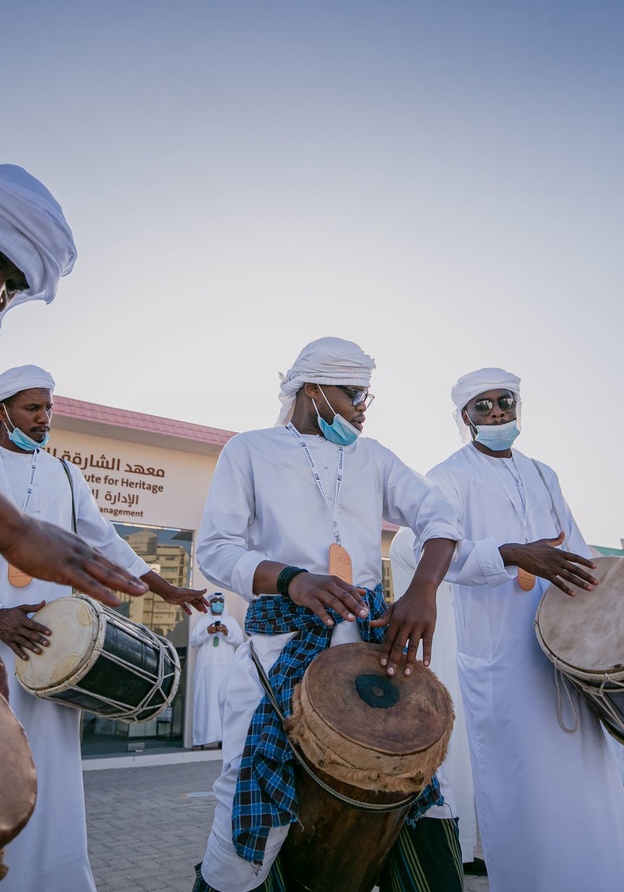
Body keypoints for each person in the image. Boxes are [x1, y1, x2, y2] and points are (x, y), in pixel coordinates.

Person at [192, 336, 462, 892]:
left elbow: (438, 514)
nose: (363, 407)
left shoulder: (374, 457)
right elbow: (215, 549)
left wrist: (422, 590)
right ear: (312, 389)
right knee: (248, 796)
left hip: (369, 651)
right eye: (353, 393)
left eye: (367, 395)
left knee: (412, 787)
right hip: (279, 649)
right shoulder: (249, 450)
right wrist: (292, 580)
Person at [0, 364, 208, 892]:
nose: (45, 419)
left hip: (49, 650)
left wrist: (168, 590)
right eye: (32, 408)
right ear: (1, 411)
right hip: (1, 646)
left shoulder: (67, 476)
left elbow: (109, 543)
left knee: (51, 778)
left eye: (49, 408)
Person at [427, 367, 624, 892]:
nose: (495, 412)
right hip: (501, 653)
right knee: (524, 780)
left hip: (564, 647)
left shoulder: (543, 473)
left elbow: (577, 551)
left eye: (504, 401)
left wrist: (604, 609)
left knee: (584, 771)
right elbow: (439, 555)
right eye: (482, 405)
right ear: (465, 417)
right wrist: (511, 554)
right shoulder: (448, 476)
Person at [0, 163, 147, 605]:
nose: (4, 299)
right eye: (3, 276)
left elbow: (105, 539)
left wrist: (159, 586)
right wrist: (19, 533)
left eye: (11, 287)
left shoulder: (64, 474)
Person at [390, 527, 480, 875]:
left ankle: (463, 846)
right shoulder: (409, 539)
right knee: (440, 749)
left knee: (462, 752)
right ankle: (441, 847)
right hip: (428, 653)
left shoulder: (446, 545)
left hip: (456, 653)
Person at [191, 592, 244, 749]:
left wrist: (227, 633)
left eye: (221, 601)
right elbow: (193, 641)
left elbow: (240, 641)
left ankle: (224, 740)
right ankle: (200, 740)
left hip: (226, 669)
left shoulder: (231, 621)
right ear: (209, 603)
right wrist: (207, 632)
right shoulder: (203, 622)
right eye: (214, 601)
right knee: (204, 703)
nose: (218, 603)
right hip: (205, 671)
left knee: (225, 703)